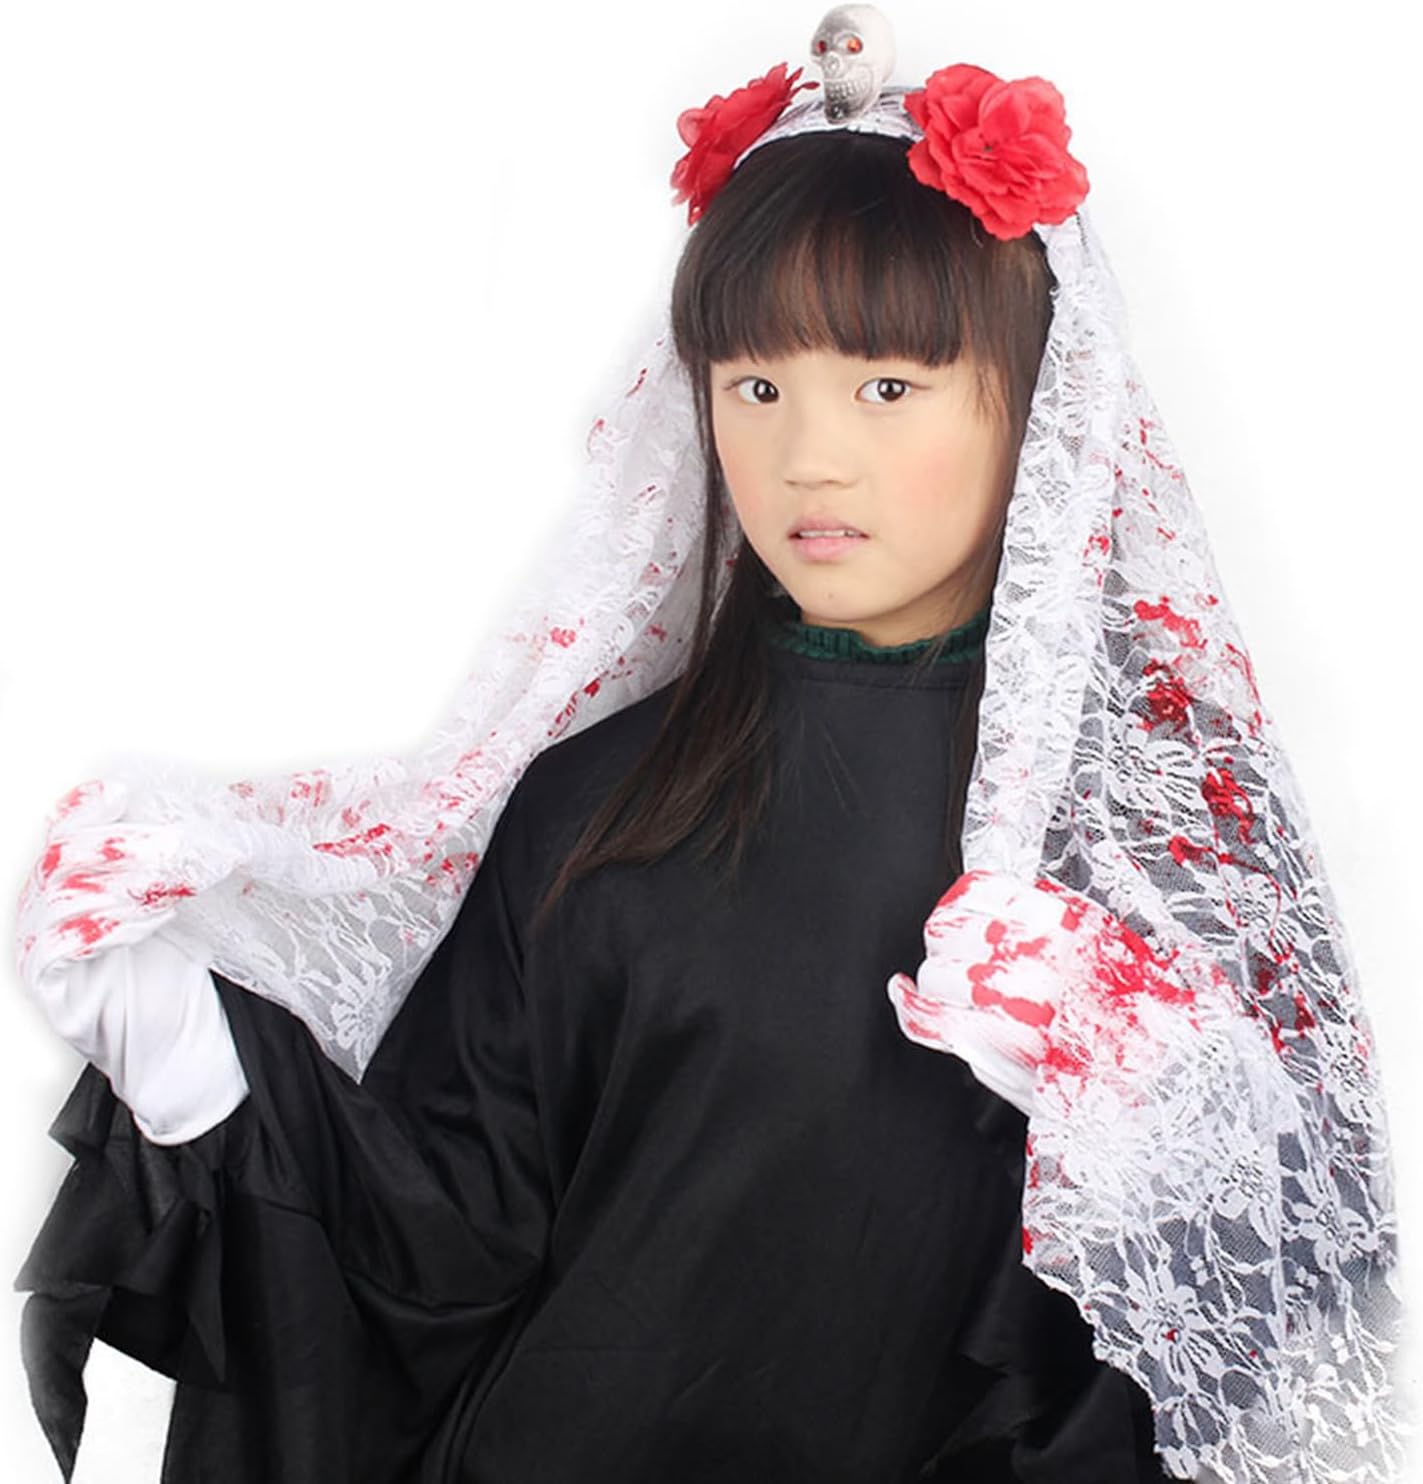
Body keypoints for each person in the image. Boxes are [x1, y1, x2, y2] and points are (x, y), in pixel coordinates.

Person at [12, 6, 1404, 1481]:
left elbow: (1287, 1336)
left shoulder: (1146, 854)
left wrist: (1162, 1123)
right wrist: (200, 1067)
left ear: (1040, 406)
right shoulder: (595, 809)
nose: (809, 456)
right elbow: (428, 1255)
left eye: (888, 386)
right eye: (755, 384)